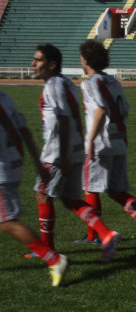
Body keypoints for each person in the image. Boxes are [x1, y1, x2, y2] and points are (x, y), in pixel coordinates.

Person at [30, 44, 120, 263]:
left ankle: (47, 250)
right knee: (71, 199)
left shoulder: (53, 85)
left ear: (52, 64)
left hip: (58, 153)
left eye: (38, 60)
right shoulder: (68, 84)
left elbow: (62, 119)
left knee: (43, 195)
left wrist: (63, 155)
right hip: (75, 149)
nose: (33, 63)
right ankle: (106, 234)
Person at [79, 40, 136, 248]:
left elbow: (99, 110)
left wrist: (90, 141)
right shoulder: (113, 81)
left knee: (90, 188)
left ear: (86, 59)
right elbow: (126, 110)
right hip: (119, 139)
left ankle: (93, 236)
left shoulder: (89, 82)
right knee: (115, 189)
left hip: (101, 141)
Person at [0, 90, 68, 286]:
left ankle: (54, 259)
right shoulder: (6, 97)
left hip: (2, 170)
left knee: (7, 222)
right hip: (14, 163)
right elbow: (25, 131)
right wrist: (37, 163)